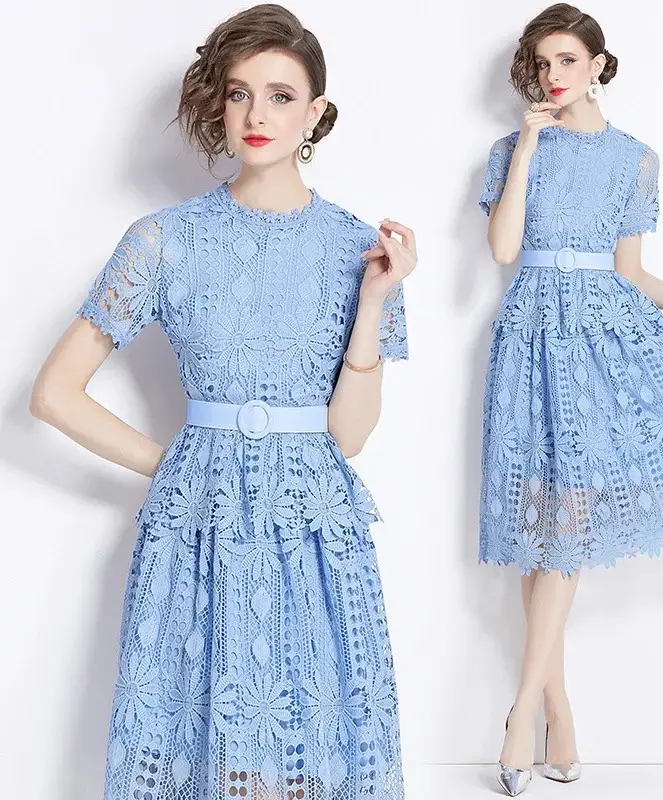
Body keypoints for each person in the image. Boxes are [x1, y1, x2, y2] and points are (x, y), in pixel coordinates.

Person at [29, 4, 416, 798]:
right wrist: (175, 466)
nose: (256, 114)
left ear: (315, 114)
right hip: (199, 527)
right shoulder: (162, 239)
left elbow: (348, 437)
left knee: (313, 744)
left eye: (281, 96)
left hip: (314, 532)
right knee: (198, 738)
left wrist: (375, 303)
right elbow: (55, 393)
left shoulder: (358, 249)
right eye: (239, 93)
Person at [476, 3, 663, 795]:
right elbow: (504, 249)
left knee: (568, 525)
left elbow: (632, 275)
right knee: (540, 530)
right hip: (530, 340)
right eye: (542, 62)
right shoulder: (512, 150)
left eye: (567, 60)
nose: (553, 75)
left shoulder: (635, 160)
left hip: (601, 343)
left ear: (599, 66)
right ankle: (561, 714)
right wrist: (530, 146)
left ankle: (522, 715)